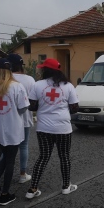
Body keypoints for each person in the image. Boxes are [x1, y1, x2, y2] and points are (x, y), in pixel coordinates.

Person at [25, 58, 79, 199]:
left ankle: (32, 189)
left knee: (43, 157)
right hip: (63, 128)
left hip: (44, 128)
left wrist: (44, 105)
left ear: (45, 70)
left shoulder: (37, 85)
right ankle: (66, 186)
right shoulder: (68, 86)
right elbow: (74, 109)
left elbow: (32, 107)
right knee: (64, 157)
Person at [0, 58, 29, 206]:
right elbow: (23, 108)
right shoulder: (17, 87)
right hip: (14, 130)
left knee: (5, 158)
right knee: (10, 160)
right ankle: (5, 194)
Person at [7, 53, 35, 184]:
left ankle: (2, 171)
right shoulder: (30, 79)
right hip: (25, 118)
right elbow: (34, 99)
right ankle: (22, 174)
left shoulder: (5, 78)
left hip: (8, 118)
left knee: (6, 147)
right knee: (23, 146)